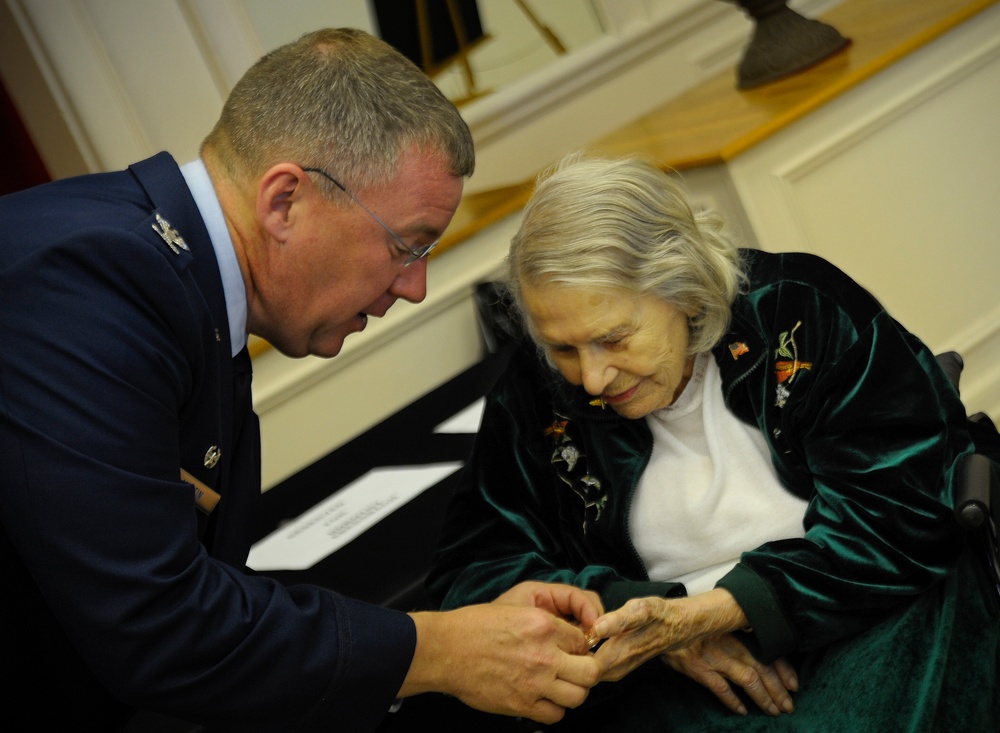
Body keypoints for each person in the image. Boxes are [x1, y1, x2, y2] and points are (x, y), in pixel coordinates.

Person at [0, 29, 604, 732]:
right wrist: (440, 649)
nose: (414, 286)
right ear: (284, 201)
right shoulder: (86, 281)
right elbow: (161, 625)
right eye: (406, 245)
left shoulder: (165, 272)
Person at [427, 153, 1000, 731]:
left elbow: (904, 510)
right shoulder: (534, 390)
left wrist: (713, 613)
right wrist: (639, 616)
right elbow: (473, 573)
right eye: (564, 349)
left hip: (866, 603)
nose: (594, 379)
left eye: (615, 339)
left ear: (686, 292)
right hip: (676, 666)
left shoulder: (801, 311)